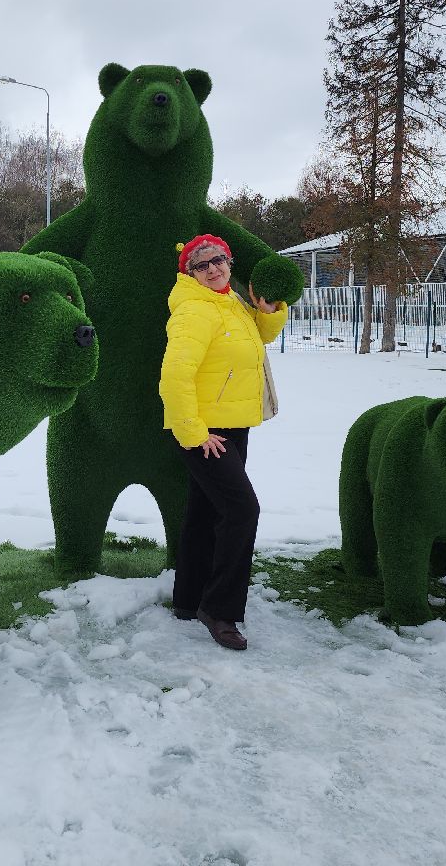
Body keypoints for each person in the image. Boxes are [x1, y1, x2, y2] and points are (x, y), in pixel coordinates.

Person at [159, 234, 288, 651]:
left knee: (205, 511)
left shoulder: (232, 303)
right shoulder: (194, 311)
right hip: (205, 432)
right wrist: (194, 433)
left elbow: (256, 342)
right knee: (241, 510)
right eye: (202, 265)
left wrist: (267, 313)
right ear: (190, 273)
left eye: (219, 260)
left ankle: (188, 599)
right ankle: (220, 610)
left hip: (232, 426)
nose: (214, 269)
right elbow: (175, 377)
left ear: (230, 263)